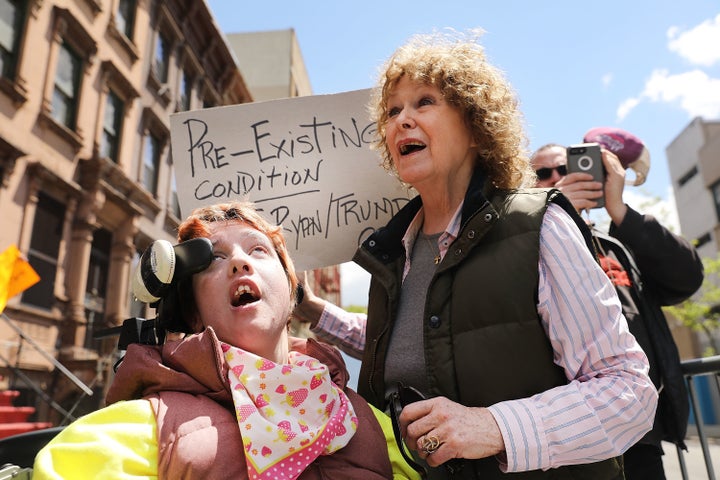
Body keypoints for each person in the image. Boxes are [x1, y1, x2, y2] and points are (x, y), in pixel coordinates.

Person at [292, 30, 657, 479]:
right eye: (391, 110)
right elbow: (423, 342)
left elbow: (628, 389)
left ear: (475, 126)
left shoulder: (538, 226)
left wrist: (497, 427)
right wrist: (311, 309)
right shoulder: (391, 253)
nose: (401, 120)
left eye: (423, 102)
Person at [32, 201, 420, 480]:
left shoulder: (368, 422)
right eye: (215, 259)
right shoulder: (148, 427)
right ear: (193, 312)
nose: (239, 262)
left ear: (292, 295)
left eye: (258, 250)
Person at [531, 140, 704, 480]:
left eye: (565, 169)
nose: (555, 177)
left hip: (638, 431)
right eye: (541, 173)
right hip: (566, 437)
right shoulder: (523, 240)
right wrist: (545, 215)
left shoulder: (617, 244)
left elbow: (686, 277)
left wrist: (620, 210)